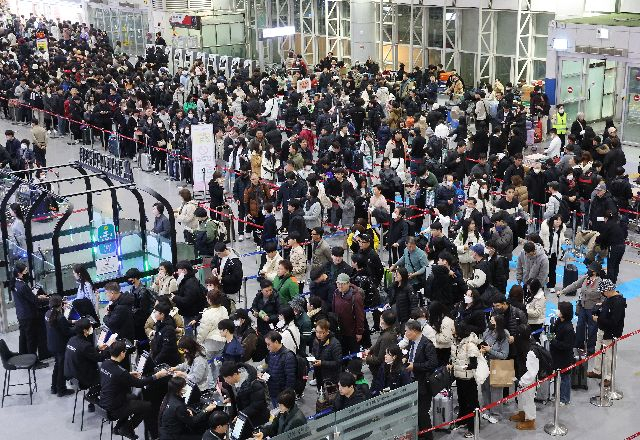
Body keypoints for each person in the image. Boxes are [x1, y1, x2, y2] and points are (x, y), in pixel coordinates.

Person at [100, 341, 170, 439]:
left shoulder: (105, 363)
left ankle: (118, 427)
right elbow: (139, 384)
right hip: (115, 408)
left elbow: (115, 375)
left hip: (104, 400)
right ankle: (127, 428)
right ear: (122, 353)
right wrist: (157, 376)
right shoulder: (121, 373)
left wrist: (128, 374)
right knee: (147, 406)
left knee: (135, 397)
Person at [64, 318, 110, 411]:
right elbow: (99, 358)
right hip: (82, 378)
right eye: (90, 327)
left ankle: (91, 402)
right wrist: (108, 349)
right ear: (85, 330)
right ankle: (92, 397)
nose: (91, 328)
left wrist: (97, 348)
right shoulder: (85, 345)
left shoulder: (72, 340)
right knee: (107, 376)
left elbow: (85, 353)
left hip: (71, 374)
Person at [557, 262, 603, 354]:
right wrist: (563, 291)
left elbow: (603, 298)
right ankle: (579, 345)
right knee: (580, 326)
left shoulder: (600, 283)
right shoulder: (586, 278)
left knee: (592, 329)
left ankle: (590, 349)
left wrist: (599, 309)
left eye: (590, 269)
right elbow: (575, 285)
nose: (588, 270)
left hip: (592, 309)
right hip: (582, 306)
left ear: (595, 272)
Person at [588, 279, 627, 386]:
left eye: (603, 291)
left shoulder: (618, 302)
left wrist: (598, 320)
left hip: (611, 333)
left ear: (609, 289)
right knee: (598, 350)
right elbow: (604, 310)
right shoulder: (608, 298)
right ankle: (597, 371)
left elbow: (614, 322)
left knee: (609, 355)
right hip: (602, 329)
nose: (602, 294)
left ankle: (608, 377)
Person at [404, 319, 438, 440]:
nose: (405, 334)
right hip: (414, 382)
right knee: (416, 412)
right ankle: (422, 433)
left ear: (414, 331)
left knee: (422, 413)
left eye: (406, 331)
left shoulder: (427, 344)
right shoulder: (412, 343)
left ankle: (428, 436)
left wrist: (415, 366)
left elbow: (432, 364)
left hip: (424, 383)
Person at [449, 322, 482, 438]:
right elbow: (454, 358)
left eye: (454, 329)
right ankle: (463, 420)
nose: (452, 331)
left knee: (472, 403)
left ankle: (474, 426)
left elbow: (473, 364)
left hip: (468, 378)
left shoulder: (470, 344)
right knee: (462, 400)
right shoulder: (455, 342)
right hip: (459, 377)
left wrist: (461, 367)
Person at [218, 362, 270, 431]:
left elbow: (257, 405)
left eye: (227, 378)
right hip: (246, 416)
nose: (226, 381)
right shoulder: (236, 382)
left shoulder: (254, 384)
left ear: (235, 374)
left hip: (257, 418)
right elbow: (240, 397)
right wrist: (231, 399)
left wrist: (242, 414)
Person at [479, 314, 510, 424]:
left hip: (499, 366)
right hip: (485, 364)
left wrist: (490, 350)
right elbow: (482, 342)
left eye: (492, 320)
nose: (490, 321)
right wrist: (482, 348)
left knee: (496, 392)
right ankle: (487, 409)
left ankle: (496, 414)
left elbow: (504, 355)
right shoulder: (487, 331)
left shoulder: (504, 336)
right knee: (485, 388)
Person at [196, 290, 228, 386]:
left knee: (208, 365)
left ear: (209, 300)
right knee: (218, 364)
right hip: (222, 341)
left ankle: (211, 385)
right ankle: (219, 384)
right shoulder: (224, 309)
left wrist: (198, 341)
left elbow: (203, 331)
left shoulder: (207, 313)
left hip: (210, 343)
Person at [509, 328, 539, 431]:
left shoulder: (531, 350)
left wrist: (522, 382)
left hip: (528, 380)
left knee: (528, 399)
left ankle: (530, 420)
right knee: (521, 397)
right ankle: (522, 414)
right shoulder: (524, 344)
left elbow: (532, 372)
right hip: (521, 375)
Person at [45, 295, 74, 397]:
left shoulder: (48, 313)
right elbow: (68, 332)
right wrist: (78, 327)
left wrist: (70, 322)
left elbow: (60, 324)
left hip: (52, 345)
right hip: (61, 346)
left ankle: (54, 387)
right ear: (61, 304)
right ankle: (61, 390)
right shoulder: (60, 317)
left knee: (57, 366)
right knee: (61, 368)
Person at [332, 273, 366, 356]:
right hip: (340, 330)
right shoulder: (336, 293)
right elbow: (333, 309)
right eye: (338, 283)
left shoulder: (356, 297)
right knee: (343, 352)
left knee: (354, 354)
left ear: (348, 284)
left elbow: (360, 316)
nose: (340, 286)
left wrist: (359, 332)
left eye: (342, 284)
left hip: (352, 332)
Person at [550, 301, 576, 406]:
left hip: (564, 357)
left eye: (559, 310)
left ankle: (565, 398)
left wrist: (553, 341)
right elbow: (553, 330)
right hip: (555, 354)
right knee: (556, 375)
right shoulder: (559, 321)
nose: (557, 311)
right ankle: (556, 394)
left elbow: (567, 345)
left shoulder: (568, 328)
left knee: (565, 377)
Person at [262, 331, 297, 407]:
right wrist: (263, 374)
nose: (267, 347)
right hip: (273, 390)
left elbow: (290, 379)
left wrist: (285, 396)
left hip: (282, 394)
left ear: (276, 342)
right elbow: (270, 368)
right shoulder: (271, 353)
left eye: (269, 344)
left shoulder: (288, 356)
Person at [171, 261, 206, 333]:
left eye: (178, 270)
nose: (177, 272)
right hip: (190, 312)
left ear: (184, 270)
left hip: (191, 314)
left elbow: (187, 300)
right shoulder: (188, 280)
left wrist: (175, 298)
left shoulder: (190, 283)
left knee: (189, 334)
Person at [310, 318, 343, 390]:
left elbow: (338, 363)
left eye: (321, 332)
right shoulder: (316, 340)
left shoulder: (335, 344)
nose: (318, 334)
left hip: (330, 377)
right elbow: (314, 351)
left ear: (327, 331)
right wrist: (312, 358)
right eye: (317, 332)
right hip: (319, 374)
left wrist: (322, 363)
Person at [363, 309, 399, 375]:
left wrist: (366, 358)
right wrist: (370, 350)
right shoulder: (388, 331)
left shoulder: (387, 337)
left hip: (380, 371)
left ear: (383, 321)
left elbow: (380, 359)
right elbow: (378, 344)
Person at [539, 215, 567, 292]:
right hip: (545, 252)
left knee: (552, 269)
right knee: (542, 269)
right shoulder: (545, 229)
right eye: (556, 220)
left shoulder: (560, 230)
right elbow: (540, 239)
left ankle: (551, 285)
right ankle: (540, 285)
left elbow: (561, 240)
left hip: (554, 253)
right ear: (552, 220)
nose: (558, 222)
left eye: (560, 220)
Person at [150, 302, 181, 367]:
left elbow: (166, 349)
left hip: (168, 363)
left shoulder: (169, 329)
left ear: (162, 315)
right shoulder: (159, 324)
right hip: (159, 358)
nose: (154, 313)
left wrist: (156, 361)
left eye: (156, 312)